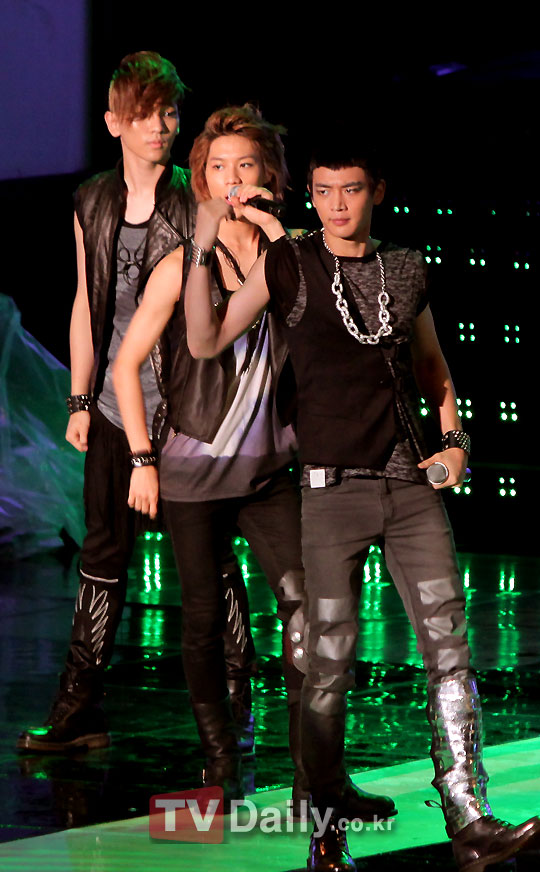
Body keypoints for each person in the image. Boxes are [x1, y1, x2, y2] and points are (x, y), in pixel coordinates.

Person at [182, 138, 540, 870]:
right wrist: (200, 246)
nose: (336, 204)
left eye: (349, 189)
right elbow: (206, 337)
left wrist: (456, 443)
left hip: (409, 486)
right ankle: (326, 831)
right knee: (328, 661)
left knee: (449, 648)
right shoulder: (290, 265)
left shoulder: (404, 266)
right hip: (329, 490)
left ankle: (469, 817)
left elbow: (434, 367)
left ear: (376, 190)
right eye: (322, 191)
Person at [112, 106, 396, 819]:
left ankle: (314, 780)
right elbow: (127, 365)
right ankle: (221, 770)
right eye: (217, 167)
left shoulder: (295, 254)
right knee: (204, 621)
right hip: (191, 474)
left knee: (308, 609)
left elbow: (345, 326)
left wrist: (276, 235)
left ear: (270, 174)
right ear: (201, 180)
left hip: (271, 472)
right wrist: (141, 458)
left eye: (245, 165)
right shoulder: (182, 264)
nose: (232, 179)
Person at [17, 52, 254, 757]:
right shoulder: (91, 201)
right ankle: (79, 707)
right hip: (117, 412)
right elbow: (85, 303)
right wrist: (80, 397)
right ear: (114, 122)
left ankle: (237, 701)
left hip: (186, 414)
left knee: (208, 558)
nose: (160, 126)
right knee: (101, 555)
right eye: (145, 114)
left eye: (169, 112)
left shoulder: (194, 199)